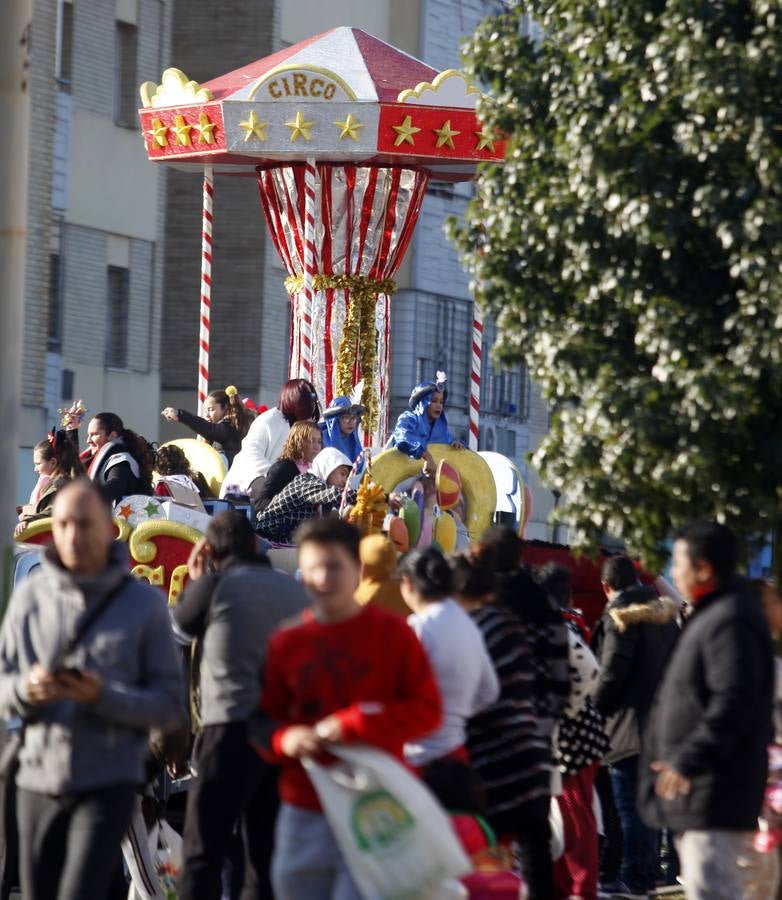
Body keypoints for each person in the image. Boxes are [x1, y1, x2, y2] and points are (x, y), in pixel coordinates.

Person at [0, 479, 184, 900]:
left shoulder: (144, 605)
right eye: (63, 524)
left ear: (109, 529)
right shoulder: (31, 598)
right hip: (36, 778)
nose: (72, 535)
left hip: (108, 778)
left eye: (85, 524)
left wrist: (101, 695)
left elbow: (167, 704)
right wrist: (27, 689)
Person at [256, 518, 442, 900]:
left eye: (334, 567)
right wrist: (285, 739)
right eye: (311, 569)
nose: (322, 578)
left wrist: (355, 725)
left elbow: (428, 710)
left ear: (357, 569)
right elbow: (264, 719)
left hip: (375, 806)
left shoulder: (395, 635)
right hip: (304, 805)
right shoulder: (286, 642)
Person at [172, 511, 310, 900]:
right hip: (282, 739)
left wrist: (196, 582)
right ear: (255, 545)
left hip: (227, 731)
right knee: (263, 859)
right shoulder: (294, 592)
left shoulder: (214, 586)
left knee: (203, 852)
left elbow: (178, 635)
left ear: (210, 551)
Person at [641, 522, 774, 900]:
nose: (675, 571)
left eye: (679, 562)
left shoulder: (729, 620)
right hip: (702, 797)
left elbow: (734, 700)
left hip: (714, 794)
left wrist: (687, 759)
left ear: (703, 569)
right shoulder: (715, 615)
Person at [450, 552, 554, 900]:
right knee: (536, 865)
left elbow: (473, 697)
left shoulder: (471, 629)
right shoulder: (509, 622)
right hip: (530, 753)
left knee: (490, 865)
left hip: (493, 761)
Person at [591, 554, 679, 899]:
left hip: (627, 727)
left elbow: (612, 672)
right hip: (660, 724)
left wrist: (593, 708)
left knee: (629, 807)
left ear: (606, 587)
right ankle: (645, 874)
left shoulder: (621, 617)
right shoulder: (663, 615)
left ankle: (633, 877)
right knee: (649, 808)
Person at [539, 564, 609, 900]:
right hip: (577, 735)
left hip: (572, 738)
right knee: (569, 814)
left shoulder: (557, 624)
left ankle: (580, 887)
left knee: (574, 816)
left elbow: (589, 672)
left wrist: (567, 706)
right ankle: (568, 884)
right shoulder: (572, 621)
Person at [397, 547, 499, 770]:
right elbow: (490, 692)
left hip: (418, 758)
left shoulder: (418, 627)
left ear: (408, 583)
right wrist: (456, 714)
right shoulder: (470, 626)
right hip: (457, 756)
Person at [473, 527, 570, 739]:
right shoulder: (545, 602)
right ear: (519, 556)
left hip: (487, 727)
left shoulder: (479, 601)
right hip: (536, 722)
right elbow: (561, 673)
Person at [220, 378, 320, 510]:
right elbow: (251, 454)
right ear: (295, 396)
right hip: (248, 481)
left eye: (314, 396)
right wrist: (276, 476)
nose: (313, 401)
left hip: (282, 485)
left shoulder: (303, 428)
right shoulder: (269, 420)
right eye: (309, 396)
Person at [254, 447, 355, 544]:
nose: (345, 481)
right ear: (328, 467)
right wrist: (365, 494)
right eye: (342, 474)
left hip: (284, 540)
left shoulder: (322, 491)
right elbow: (335, 495)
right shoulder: (307, 482)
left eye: (347, 477)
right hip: (267, 539)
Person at [390, 374, 462, 477]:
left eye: (441, 402)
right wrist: (426, 456)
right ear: (423, 403)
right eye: (434, 401)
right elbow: (403, 437)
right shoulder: (408, 419)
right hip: (403, 479)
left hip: (432, 481)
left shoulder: (441, 429)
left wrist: (456, 445)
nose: (438, 406)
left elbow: (449, 441)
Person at [15, 430, 85, 534]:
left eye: (38, 464)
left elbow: (53, 511)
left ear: (52, 462)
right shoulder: (54, 482)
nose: (35, 469)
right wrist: (23, 510)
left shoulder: (60, 484)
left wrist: (28, 519)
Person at [161, 386, 252, 466]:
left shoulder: (229, 427)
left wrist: (180, 415)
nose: (207, 415)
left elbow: (209, 429)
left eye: (211, 409)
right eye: (205, 411)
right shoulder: (235, 424)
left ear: (225, 407)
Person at [83, 412, 154, 502]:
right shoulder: (95, 458)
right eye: (88, 435)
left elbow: (116, 484)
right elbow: (73, 469)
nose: (88, 440)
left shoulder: (121, 460)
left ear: (112, 435)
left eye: (94, 434)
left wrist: (85, 499)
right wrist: (71, 430)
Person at [254, 420, 323, 514]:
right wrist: (289, 510)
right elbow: (261, 502)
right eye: (312, 441)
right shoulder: (283, 467)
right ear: (298, 442)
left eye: (319, 442)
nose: (317, 447)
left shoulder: (317, 468)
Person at [320, 396, 364, 464]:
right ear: (335, 420)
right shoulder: (320, 440)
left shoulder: (353, 441)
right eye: (346, 418)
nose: (351, 422)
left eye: (353, 418)